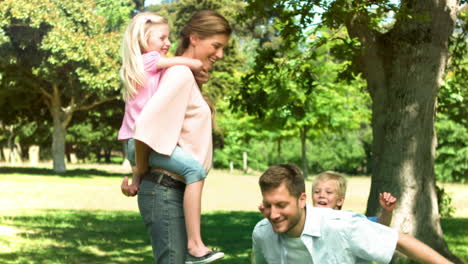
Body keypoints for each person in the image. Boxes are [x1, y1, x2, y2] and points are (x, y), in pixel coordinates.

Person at [119, 10, 231, 264]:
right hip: (164, 189)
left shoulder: (179, 73)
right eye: (216, 46)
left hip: (173, 189)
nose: (220, 54)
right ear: (194, 38)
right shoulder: (179, 73)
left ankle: (195, 245)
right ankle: (196, 244)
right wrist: (140, 168)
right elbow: (144, 126)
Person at [252, 164, 453, 264]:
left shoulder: (341, 226)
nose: (273, 214)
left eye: (281, 205)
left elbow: (399, 240)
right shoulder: (262, 233)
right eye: (267, 205)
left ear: (302, 199)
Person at [311, 171, 397, 226]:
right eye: (317, 192)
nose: (321, 195)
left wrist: (387, 211)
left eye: (328, 192)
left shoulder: (349, 220)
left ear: (340, 201)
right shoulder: (307, 219)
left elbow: (380, 225)